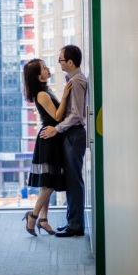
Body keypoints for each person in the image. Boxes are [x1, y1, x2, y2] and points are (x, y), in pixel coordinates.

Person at [39, 45, 89, 237]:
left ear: (70, 62)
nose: (58, 64)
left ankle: (76, 226)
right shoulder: (73, 80)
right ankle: (72, 223)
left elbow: (76, 114)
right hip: (72, 134)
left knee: (74, 181)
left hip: (74, 134)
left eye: (60, 60)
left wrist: (56, 129)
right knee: (71, 180)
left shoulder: (77, 81)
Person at [22, 58, 72, 236]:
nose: (48, 69)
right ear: (38, 76)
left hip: (51, 137)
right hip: (49, 139)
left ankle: (43, 220)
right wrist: (65, 95)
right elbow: (57, 117)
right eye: (44, 68)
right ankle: (33, 216)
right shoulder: (42, 94)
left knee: (47, 181)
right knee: (49, 184)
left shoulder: (45, 90)